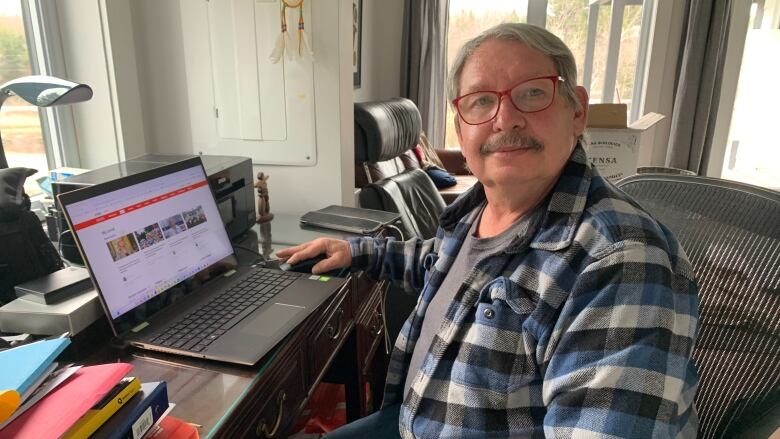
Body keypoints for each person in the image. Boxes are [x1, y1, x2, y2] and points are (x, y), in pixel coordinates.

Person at [277, 23, 699, 438]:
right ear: (461, 129)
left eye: (533, 92)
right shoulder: (482, 208)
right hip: (412, 418)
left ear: (577, 111)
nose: (506, 119)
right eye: (481, 101)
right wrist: (359, 252)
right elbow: (442, 264)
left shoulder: (623, 262)